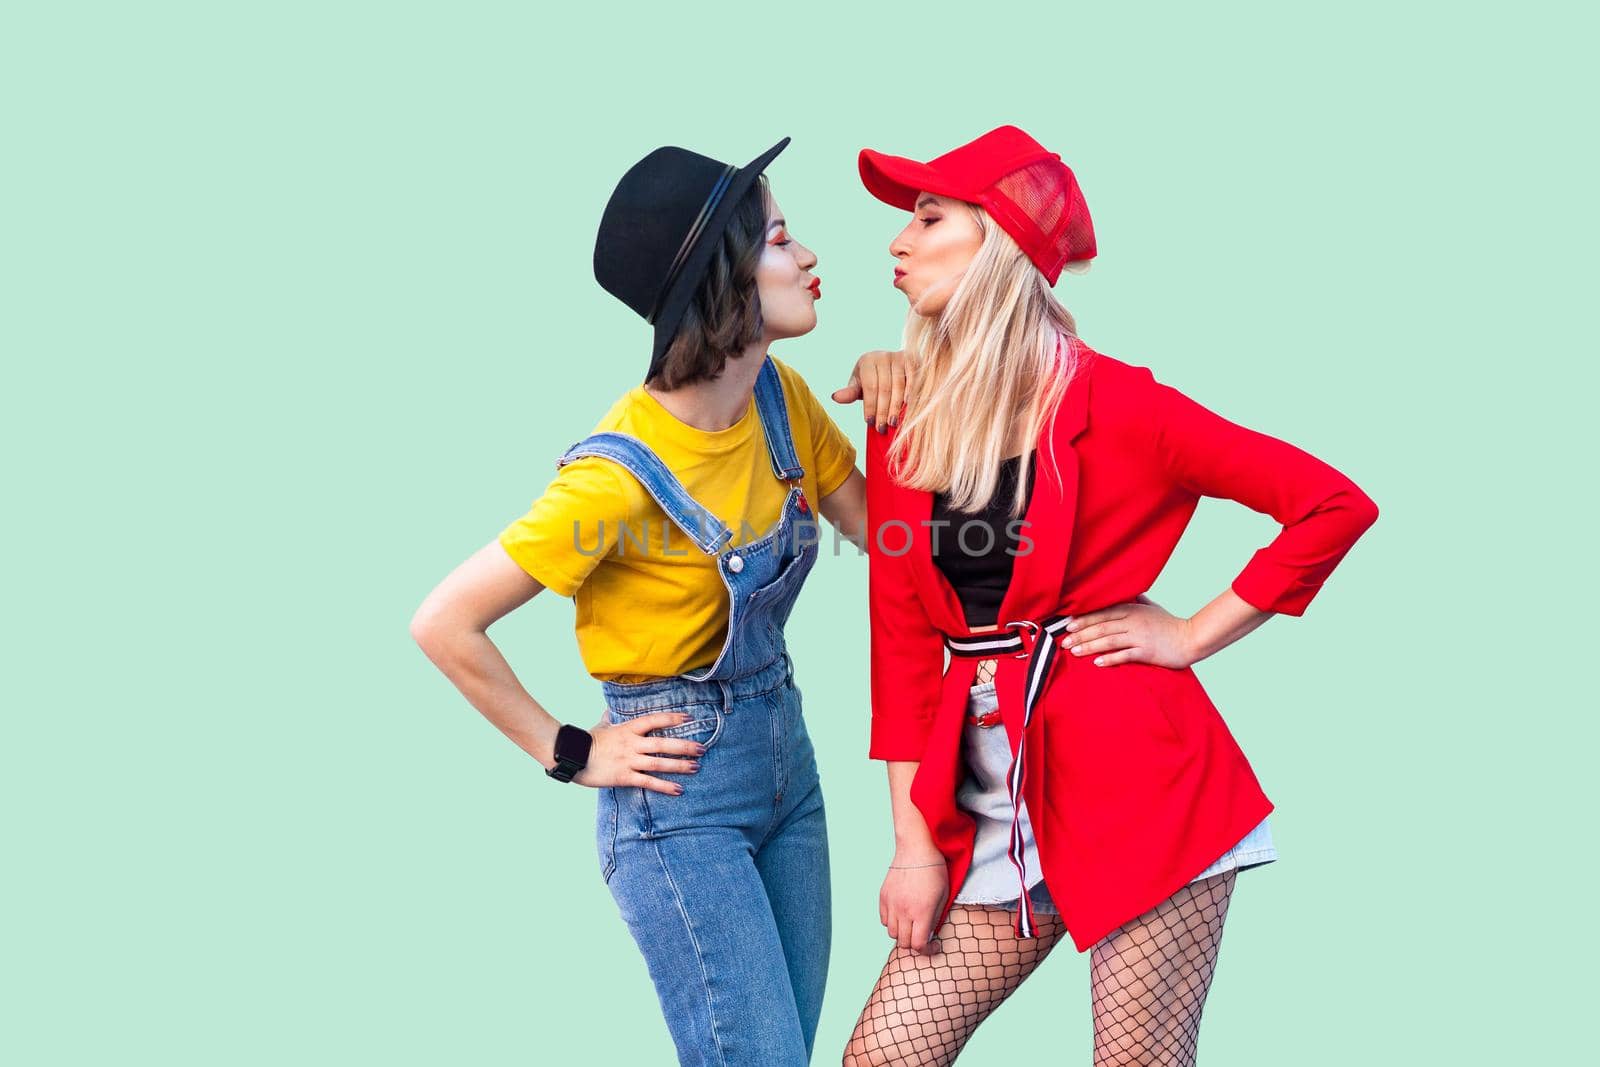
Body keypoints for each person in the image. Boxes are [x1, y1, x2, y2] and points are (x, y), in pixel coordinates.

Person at [840, 125, 1379, 1066]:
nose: (897, 240)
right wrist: (913, 844)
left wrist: (1194, 634)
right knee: (885, 1054)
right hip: (987, 799)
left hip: (1139, 795)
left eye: (928, 217)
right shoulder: (904, 422)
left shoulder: (1123, 406)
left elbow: (1331, 505)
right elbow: (897, 645)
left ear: (998, 239)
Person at [410, 136, 905, 1067]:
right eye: (781, 239)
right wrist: (571, 750)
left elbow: (895, 539)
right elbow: (443, 621)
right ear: (725, 276)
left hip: (789, 773)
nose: (808, 258)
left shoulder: (780, 400)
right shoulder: (614, 479)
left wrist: (904, 398)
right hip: (679, 803)